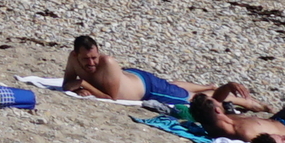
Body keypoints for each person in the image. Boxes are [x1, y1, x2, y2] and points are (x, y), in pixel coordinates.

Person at [60, 36, 190, 106]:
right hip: (131, 77)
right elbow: (67, 84)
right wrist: (79, 89)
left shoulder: (107, 62)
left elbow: (111, 98)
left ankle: (210, 90)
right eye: (86, 59)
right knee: (171, 85)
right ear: (76, 55)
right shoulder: (73, 58)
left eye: (94, 58)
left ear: (99, 53)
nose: (91, 63)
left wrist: (83, 84)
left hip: (147, 88)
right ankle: (208, 86)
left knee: (189, 97)